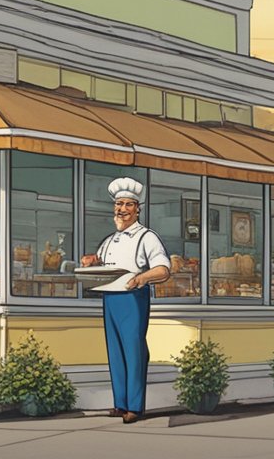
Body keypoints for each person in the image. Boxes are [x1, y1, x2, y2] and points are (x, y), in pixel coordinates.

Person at [80, 177, 170, 424]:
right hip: (110, 297)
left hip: (132, 298)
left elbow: (163, 269)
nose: (122, 210)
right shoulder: (109, 240)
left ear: (137, 208)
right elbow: (101, 263)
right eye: (119, 204)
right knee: (115, 352)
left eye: (128, 205)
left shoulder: (147, 237)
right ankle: (120, 403)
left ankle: (135, 406)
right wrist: (91, 261)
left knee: (134, 351)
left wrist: (141, 278)